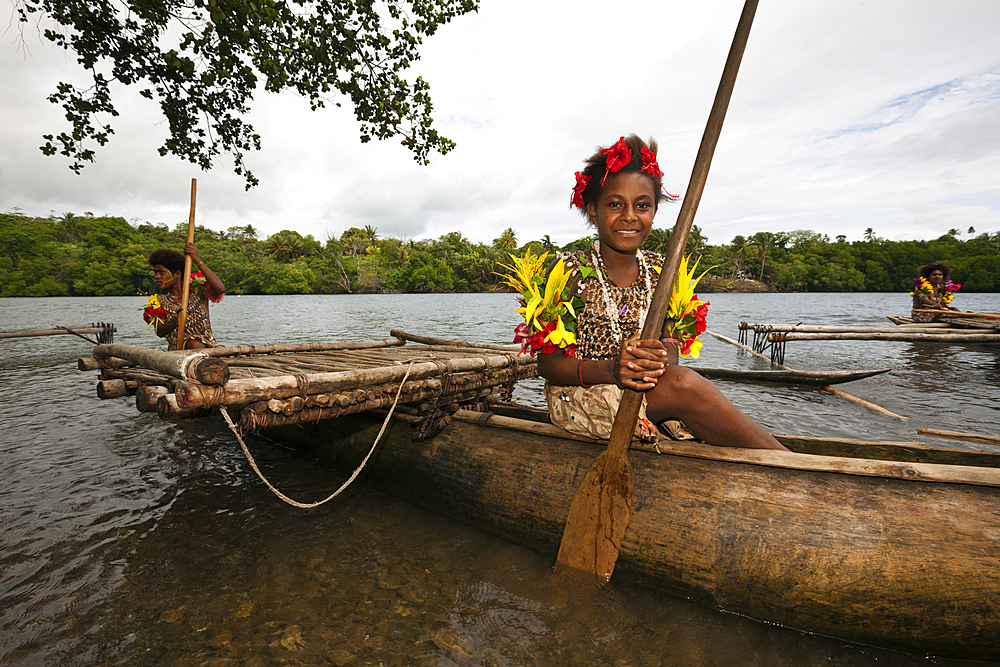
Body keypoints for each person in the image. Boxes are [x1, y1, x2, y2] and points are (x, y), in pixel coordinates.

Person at [509, 135, 786, 451]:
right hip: (580, 397)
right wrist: (613, 369)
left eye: (642, 205)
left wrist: (654, 361)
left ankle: (783, 463)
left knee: (680, 381)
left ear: (654, 211)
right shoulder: (568, 271)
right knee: (684, 384)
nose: (629, 216)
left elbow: (670, 351)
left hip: (650, 391)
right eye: (615, 204)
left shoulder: (662, 272)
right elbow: (548, 365)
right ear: (593, 211)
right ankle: (793, 466)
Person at [147, 243, 225, 350]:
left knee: (196, 345)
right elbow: (159, 332)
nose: (157, 277)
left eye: (162, 272)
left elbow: (220, 289)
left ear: (177, 274)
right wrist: (175, 321)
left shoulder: (198, 293)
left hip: (209, 347)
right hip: (179, 351)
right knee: (193, 345)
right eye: (155, 273)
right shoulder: (158, 301)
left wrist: (197, 260)